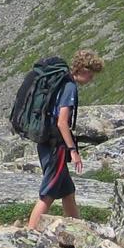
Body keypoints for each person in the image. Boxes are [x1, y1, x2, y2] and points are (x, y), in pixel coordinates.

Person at [26, 49, 104, 229]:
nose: (91, 79)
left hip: (46, 142)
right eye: (91, 75)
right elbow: (62, 123)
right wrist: (73, 151)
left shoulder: (60, 81)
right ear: (83, 70)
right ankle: (29, 234)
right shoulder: (69, 87)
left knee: (68, 192)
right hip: (57, 148)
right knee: (48, 194)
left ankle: (78, 230)